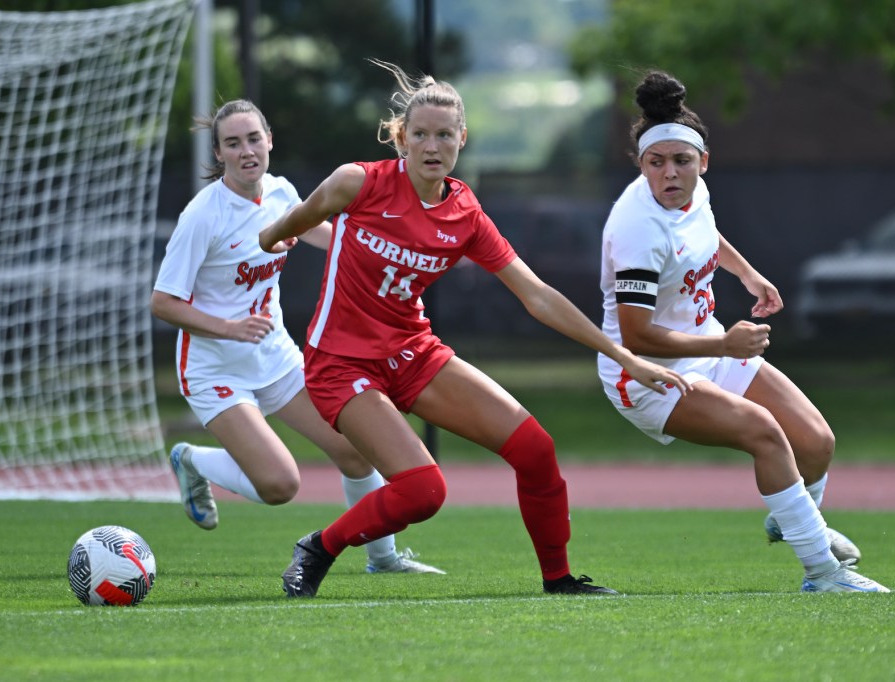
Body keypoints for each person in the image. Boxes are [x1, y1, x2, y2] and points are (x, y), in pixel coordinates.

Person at [257, 59, 692, 599]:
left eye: (444, 134)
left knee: (535, 450)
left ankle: (559, 580)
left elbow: (536, 296)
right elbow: (301, 216)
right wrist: (271, 235)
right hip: (341, 362)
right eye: (420, 134)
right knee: (423, 492)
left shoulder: (464, 212)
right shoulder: (358, 182)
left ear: (462, 139)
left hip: (414, 354)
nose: (432, 145)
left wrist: (623, 355)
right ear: (402, 139)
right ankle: (320, 546)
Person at [596, 71, 889, 593]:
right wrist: (724, 343)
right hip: (643, 375)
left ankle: (796, 518)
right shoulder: (636, 229)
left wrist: (747, 273)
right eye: (656, 162)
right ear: (640, 166)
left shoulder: (693, 192)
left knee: (816, 441)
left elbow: (702, 229)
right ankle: (823, 572)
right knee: (765, 434)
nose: (669, 173)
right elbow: (637, 337)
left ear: (702, 163)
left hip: (705, 347)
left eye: (682, 161)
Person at [150, 99, 444, 575]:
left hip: (276, 358)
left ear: (269, 140)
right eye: (233, 143)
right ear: (219, 153)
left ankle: (383, 560)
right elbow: (162, 302)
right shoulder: (203, 216)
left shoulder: (282, 192)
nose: (246, 151)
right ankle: (192, 460)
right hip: (214, 369)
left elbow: (331, 238)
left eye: (253, 139)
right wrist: (229, 328)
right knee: (280, 485)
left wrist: (395, 254)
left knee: (355, 449)